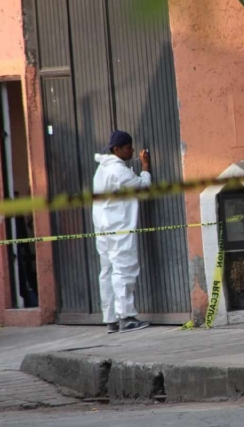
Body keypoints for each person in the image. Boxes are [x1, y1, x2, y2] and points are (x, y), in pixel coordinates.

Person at [92, 130, 152, 334]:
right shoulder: (119, 170)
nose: (132, 151)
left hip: (103, 227)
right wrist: (145, 167)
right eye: (128, 148)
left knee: (107, 271)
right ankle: (126, 317)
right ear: (116, 149)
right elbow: (143, 189)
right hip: (118, 226)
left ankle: (111, 320)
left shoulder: (102, 169)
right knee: (124, 268)